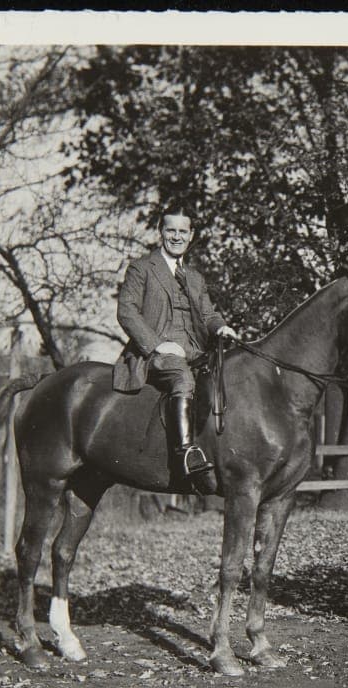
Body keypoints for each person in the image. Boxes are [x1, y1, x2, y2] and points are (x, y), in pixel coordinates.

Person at [112, 204, 238, 485]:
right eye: (171, 230)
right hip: (155, 355)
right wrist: (157, 345)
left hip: (195, 352)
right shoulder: (142, 268)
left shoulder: (195, 278)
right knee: (183, 377)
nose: (177, 236)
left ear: (191, 235)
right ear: (161, 232)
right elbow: (127, 311)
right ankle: (186, 453)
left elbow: (208, 315)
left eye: (183, 231)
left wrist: (221, 328)